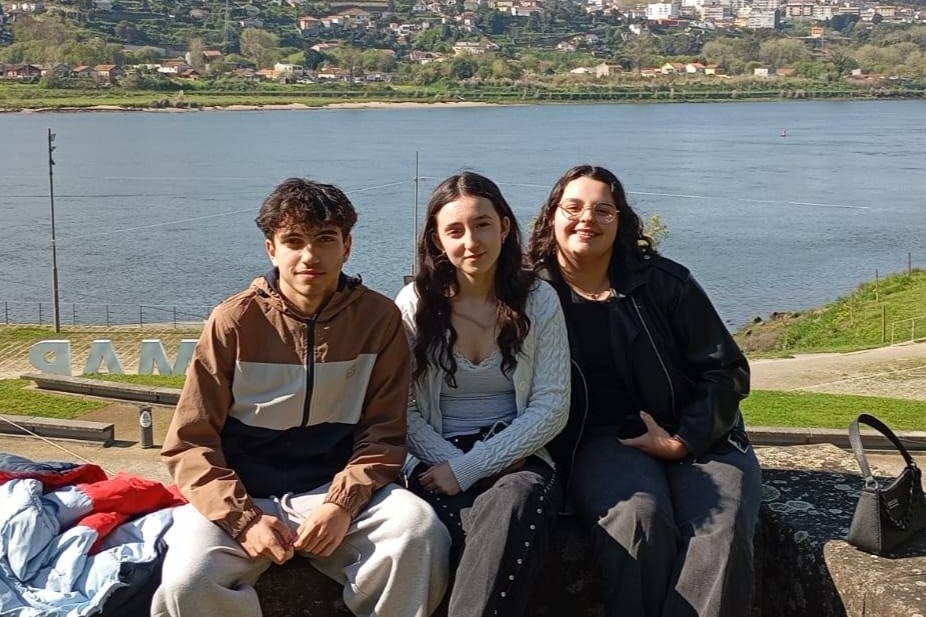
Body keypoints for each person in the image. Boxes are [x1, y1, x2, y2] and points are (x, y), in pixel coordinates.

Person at [152, 178, 450, 617]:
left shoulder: (378, 319)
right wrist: (242, 519)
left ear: (346, 246)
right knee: (188, 578)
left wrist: (342, 504)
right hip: (244, 492)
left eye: (325, 240)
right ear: (271, 248)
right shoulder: (234, 321)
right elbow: (190, 442)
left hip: (333, 489)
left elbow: (384, 433)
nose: (309, 256)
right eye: (294, 241)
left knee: (419, 532)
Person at [527, 165, 763, 617]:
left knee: (721, 527)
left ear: (621, 220)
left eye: (603, 210)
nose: (586, 219)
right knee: (637, 520)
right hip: (602, 440)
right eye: (572, 207)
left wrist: (682, 441)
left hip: (700, 435)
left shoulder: (664, 282)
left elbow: (727, 370)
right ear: (552, 216)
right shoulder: (531, 292)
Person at [394, 172, 570, 617]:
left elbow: (552, 405)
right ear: (437, 239)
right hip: (435, 460)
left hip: (518, 456)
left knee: (514, 501)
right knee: (487, 530)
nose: (471, 241)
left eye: (483, 224)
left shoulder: (539, 300)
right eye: (455, 230)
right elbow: (399, 406)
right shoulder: (414, 305)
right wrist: (450, 465)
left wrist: (475, 464)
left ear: (505, 227)